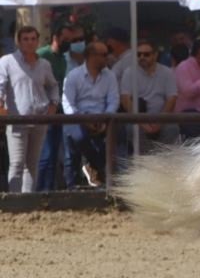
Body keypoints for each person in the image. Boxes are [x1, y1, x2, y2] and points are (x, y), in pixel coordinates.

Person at [0, 26, 60, 192]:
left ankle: (28, 201)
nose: (30, 42)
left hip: (39, 119)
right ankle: (15, 201)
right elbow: (0, 87)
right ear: (19, 41)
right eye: (26, 39)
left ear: (38, 41)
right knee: (17, 163)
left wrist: (53, 105)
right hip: (17, 120)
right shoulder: (7, 61)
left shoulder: (44, 64)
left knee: (32, 164)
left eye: (33, 39)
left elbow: (53, 86)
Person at [62, 41, 119, 188]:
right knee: (79, 137)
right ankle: (86, 175)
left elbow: (113, 100)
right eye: (104, 55)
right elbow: (68, 104)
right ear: (92, 56)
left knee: (118, 135)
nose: (108, 58)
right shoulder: (73, 76)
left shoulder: (110, 76)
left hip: (102, 118)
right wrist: (83, 120)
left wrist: (105, 118)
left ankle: (95, 171)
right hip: (78, 118)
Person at [36, 23, 83, 191]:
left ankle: (48, 190)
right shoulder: (42, 55)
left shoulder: (63, 59)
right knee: (45, 155)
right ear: (56, 38)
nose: (69, 43)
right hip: (44, 110)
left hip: (58, 111)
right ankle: (40, 191)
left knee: (54, 154)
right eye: (66, 39)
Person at [119, 40, 179, 151]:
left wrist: (160, 122)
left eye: (146, 54)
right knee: (132, 129)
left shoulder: (167, 72)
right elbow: (125, 99)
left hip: (162, 118)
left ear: (155, 55)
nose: (142, 57)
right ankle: (145, 163)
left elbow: (172, 98)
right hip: (138, 119)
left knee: (172, 128)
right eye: (139, 54)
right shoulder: (129, 72)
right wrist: (142, 122)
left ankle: (165, 163)